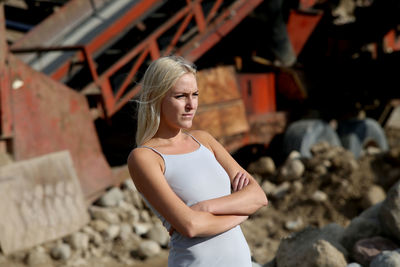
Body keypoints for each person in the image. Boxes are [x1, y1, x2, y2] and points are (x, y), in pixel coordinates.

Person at [127, 55, 268, 267]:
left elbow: (258, 196)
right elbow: (190, 225)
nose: (191, 105)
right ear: (157, 97)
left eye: (195, 94)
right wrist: (241, 213)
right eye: (181, 96)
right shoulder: (144, 157)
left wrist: (204, 207)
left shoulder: (204, 140)